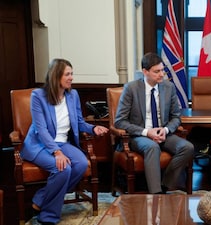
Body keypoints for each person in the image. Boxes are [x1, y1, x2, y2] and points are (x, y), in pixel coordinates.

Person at [21, 58, 109, 225]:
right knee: (62, 168)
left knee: (82, 164)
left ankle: (40, 198)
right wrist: (57, 152)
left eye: (72, 74)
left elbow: (79, 121)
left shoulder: (73, 95)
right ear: (56, 76)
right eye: (67, 74)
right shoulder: (38, 96)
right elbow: (41, 130)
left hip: (63, 142)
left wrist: (93, 128)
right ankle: (48, 217)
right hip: (40, 144)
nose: (71, 78)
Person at [114, 52, 194, 194]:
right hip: (139, 136)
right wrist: (147, 132)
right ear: (145, 72)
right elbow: (120, 121)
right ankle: (156, 195)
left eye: (162, 70)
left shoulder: (169, 88)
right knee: (152, 147)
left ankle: (164, 185)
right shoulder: (131, 89)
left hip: (163, 134)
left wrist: (166, 130)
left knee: (187, 147)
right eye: (157, 71)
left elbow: (176, 117)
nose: (161, 74)